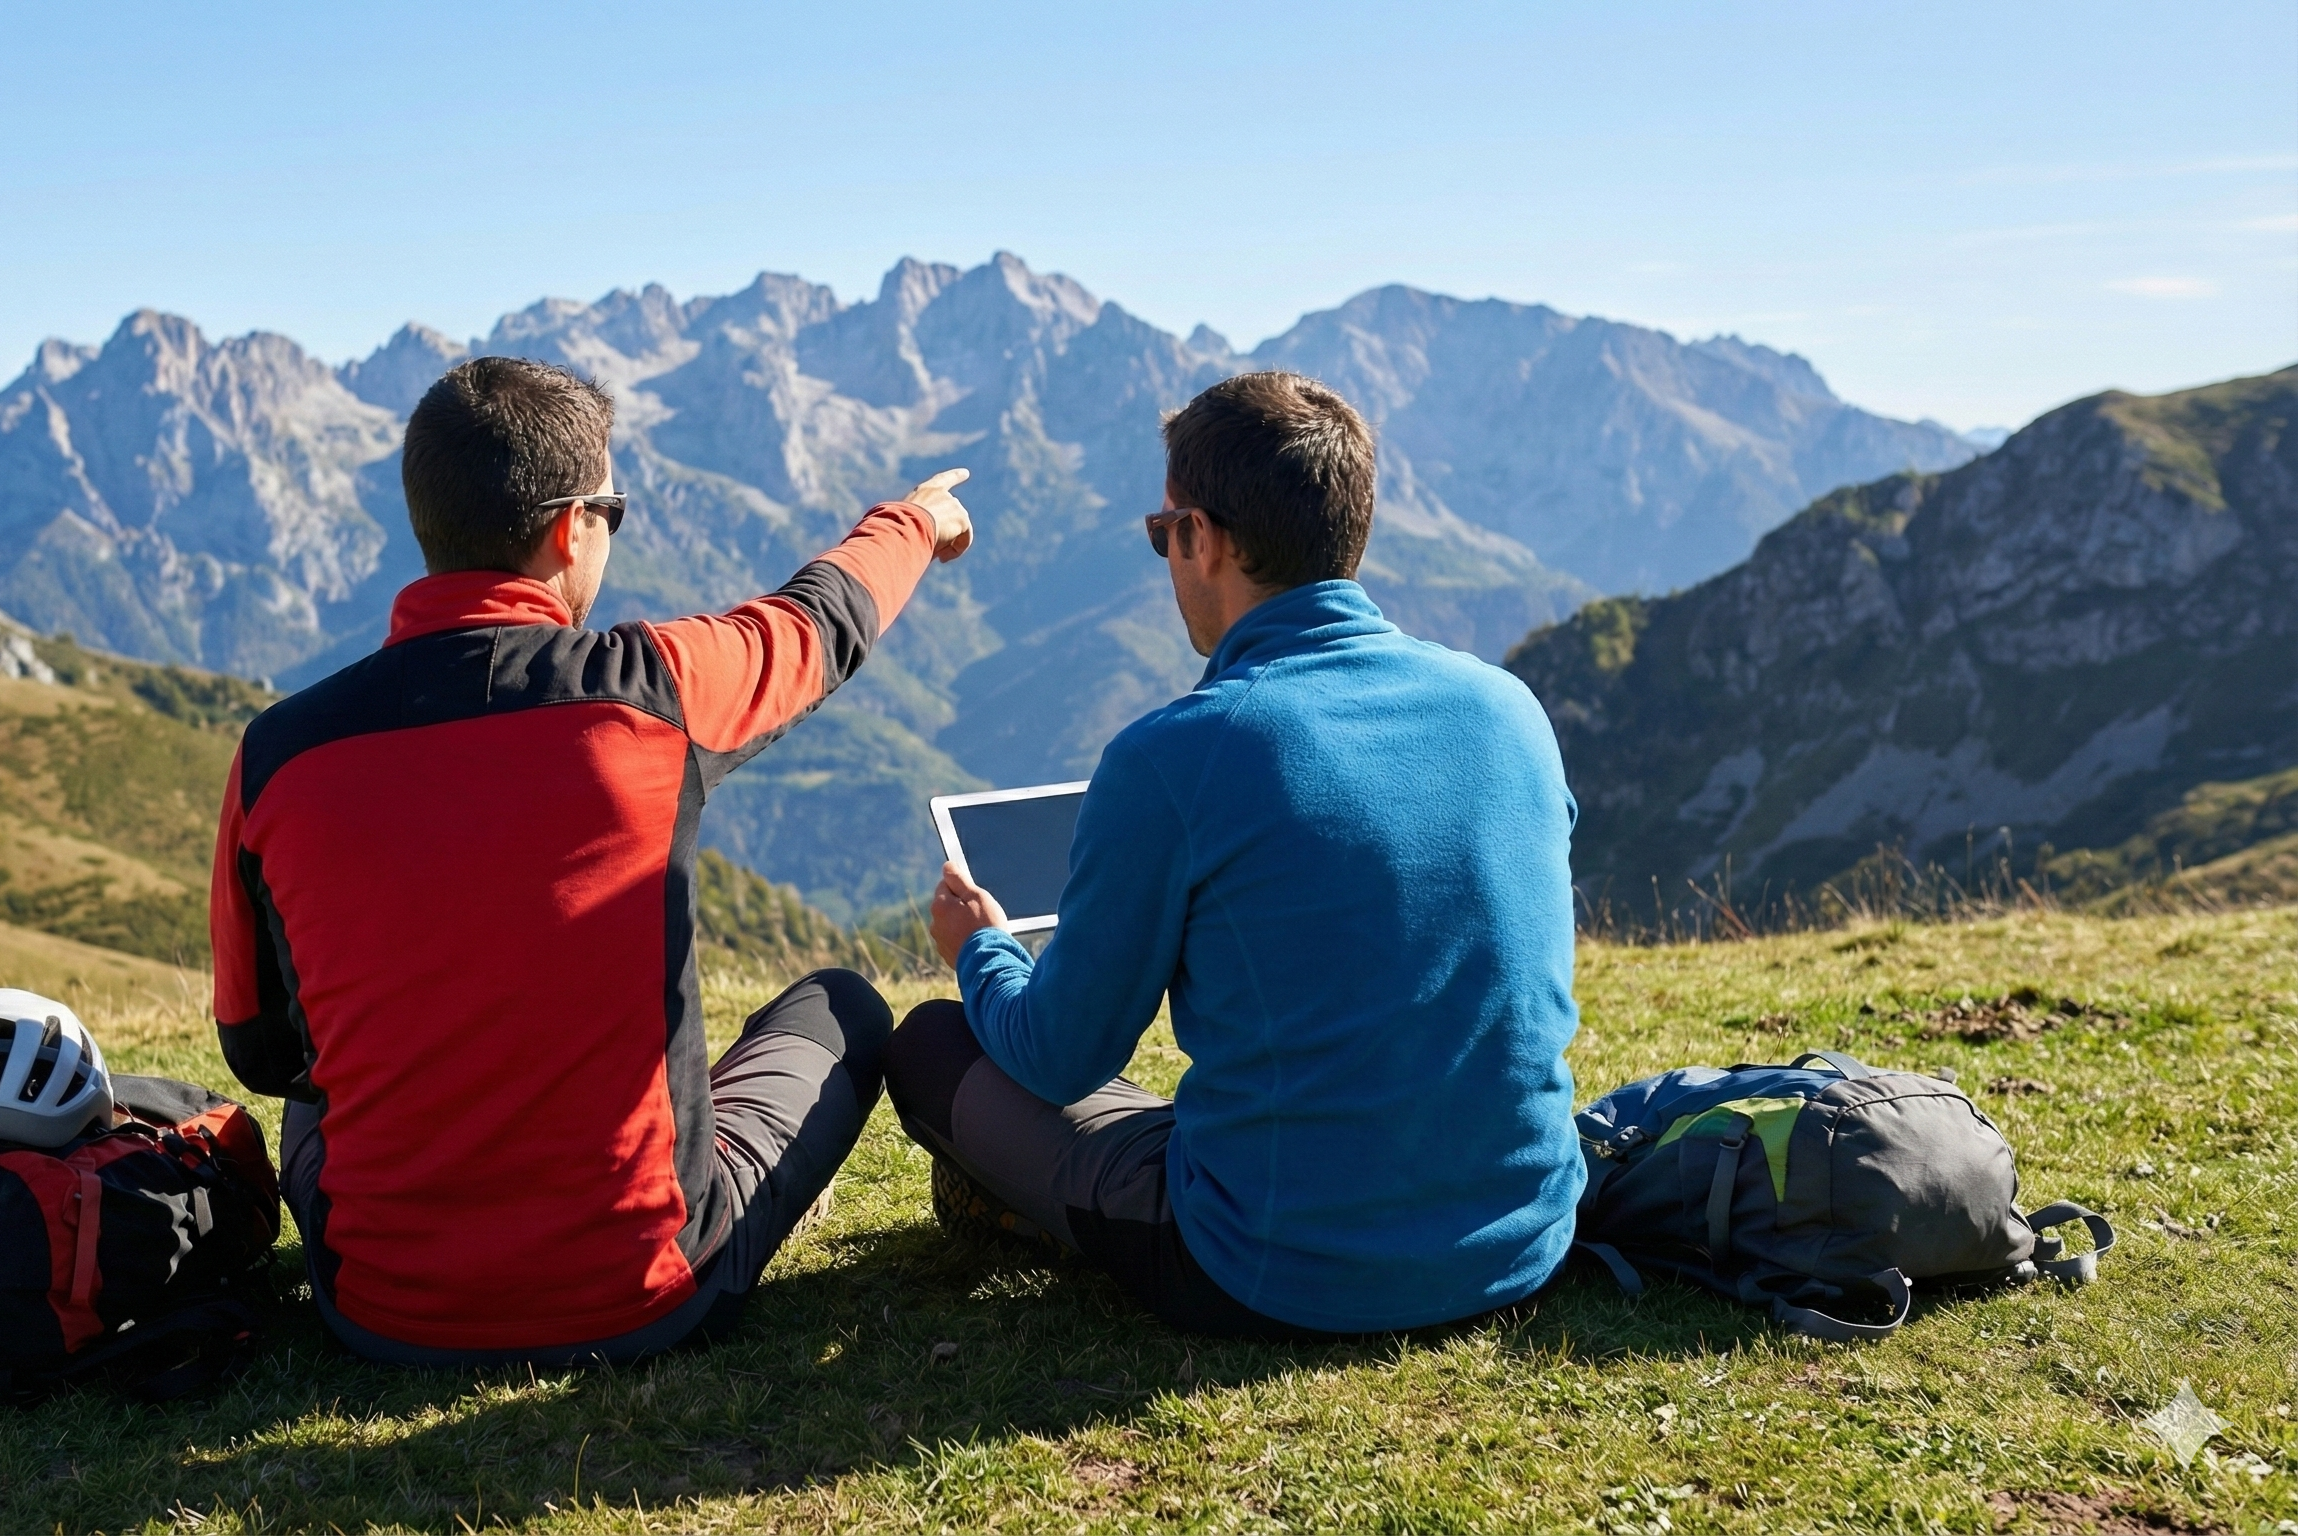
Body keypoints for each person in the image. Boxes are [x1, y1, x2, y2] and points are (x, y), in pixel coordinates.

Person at [209, 356, 974, 1366]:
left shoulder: (278, 754)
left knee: (322, 1093)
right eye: (614, 509)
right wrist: (914, 521)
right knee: (841, 1006)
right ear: (572, 526)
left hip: (378, 1311)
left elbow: (263, 1055)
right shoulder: (652, 691)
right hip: (647, 1293)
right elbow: (816, 623)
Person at [883, 371, 1584, 1339]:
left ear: (1202, 538)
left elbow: (1056, 1056)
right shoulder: (1508, 708)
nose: (1166, 554)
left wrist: (979, 948)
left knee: (934, 1040)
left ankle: (1013, 1205)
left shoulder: (1176, 752)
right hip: (1523, 1241)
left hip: (1273, 1270)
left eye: (1159, 532)